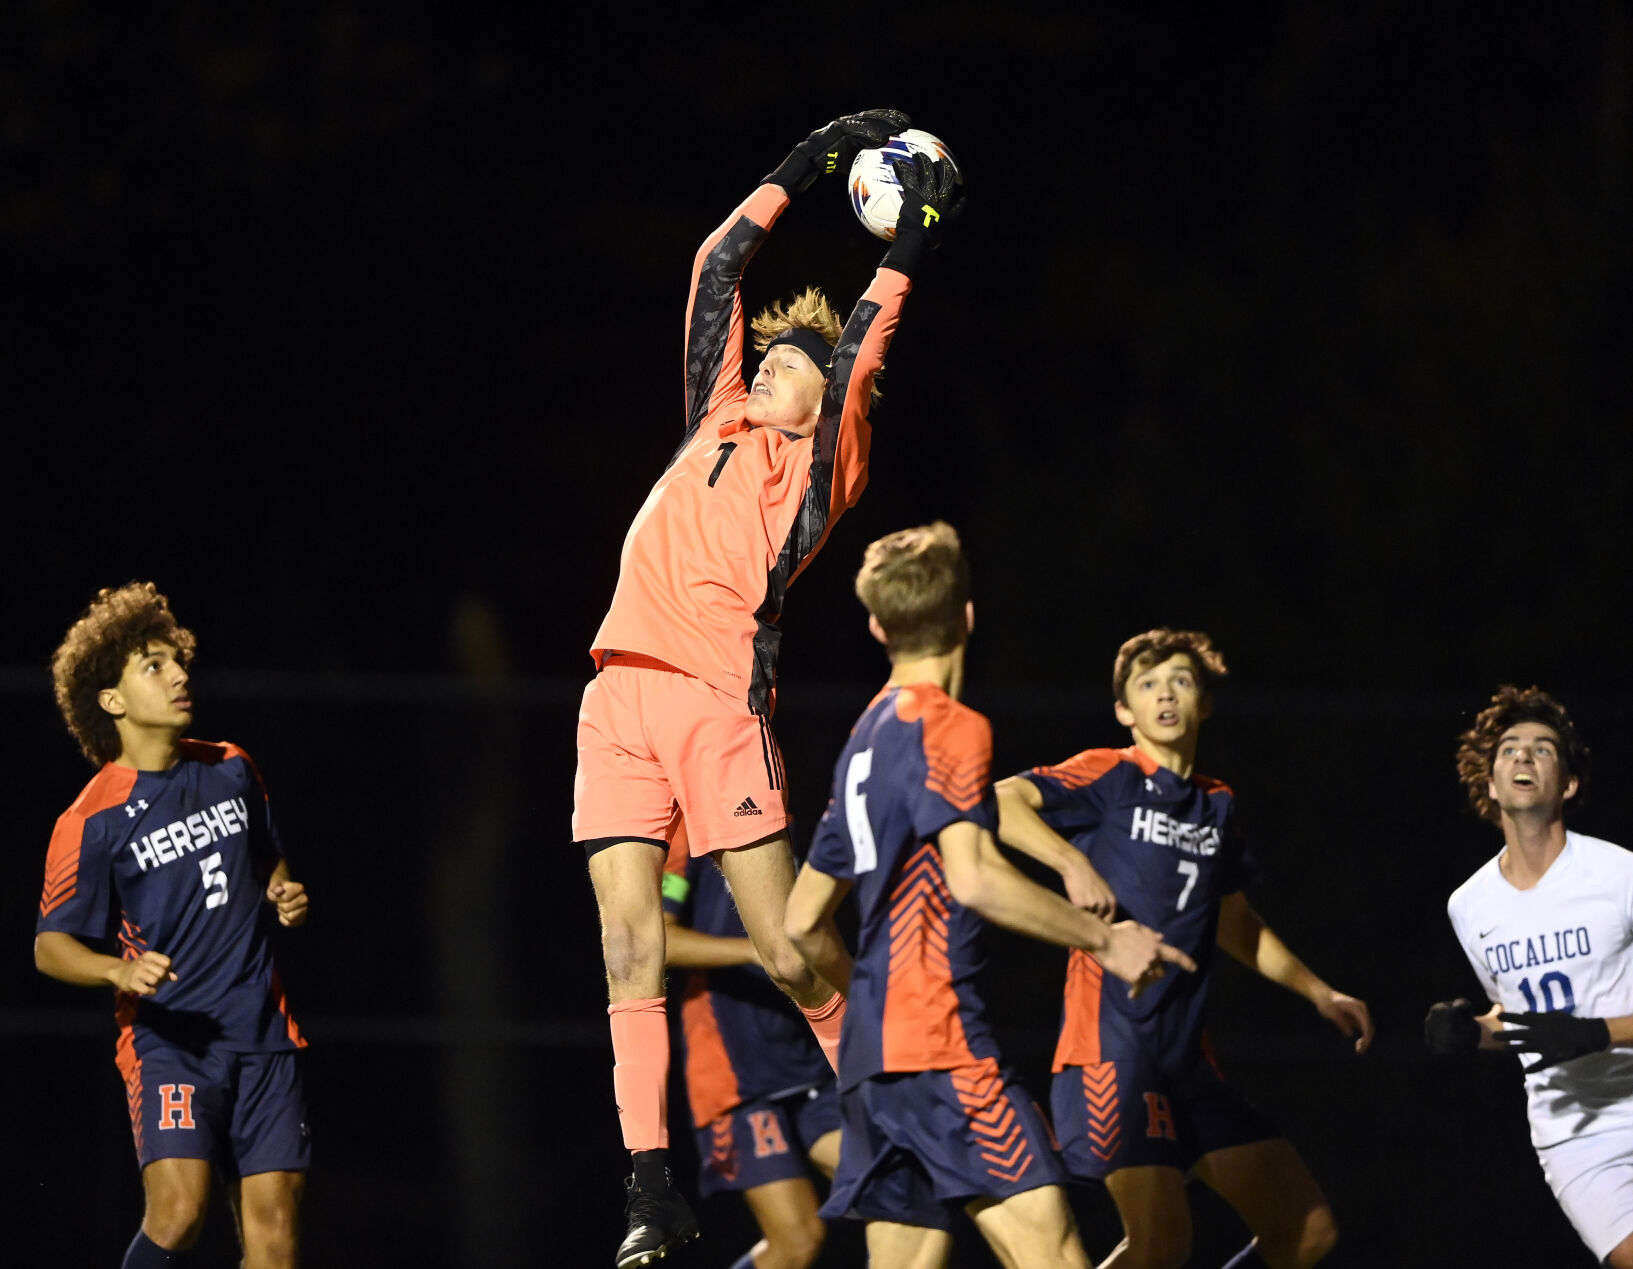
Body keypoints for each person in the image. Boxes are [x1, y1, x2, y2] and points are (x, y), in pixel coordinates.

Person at [573, 106, 964, 1268]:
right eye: (774, 354)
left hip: (710, 704)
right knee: (627, 951)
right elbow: (717, 265)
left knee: (787, 950)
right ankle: (652, 1189)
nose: (776, 365)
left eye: (797, 360)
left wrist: (907, 249)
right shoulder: (715, 417)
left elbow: (863, 353)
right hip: (617, 699)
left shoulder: (819, 468)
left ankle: (894, 1103)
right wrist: (812, 161)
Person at [784, 522, 1194, 1268]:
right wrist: (1105, 938)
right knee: (1057, 1258)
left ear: (879, 626)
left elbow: (801, 927)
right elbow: (971, 873)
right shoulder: (949, 724)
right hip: (943, 1047)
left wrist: (873, 1009)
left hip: (874, 1065)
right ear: (967, 616)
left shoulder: (863, 741)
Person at [993, 628, 1373, 1269]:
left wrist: (1318, 991)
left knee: (1305, 1229)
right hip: (1112, 1050)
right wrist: (1069, 863)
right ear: (1124, 712)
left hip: (1187, 1062)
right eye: (1147, 683)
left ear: (1204, 704)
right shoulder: (1111, 774)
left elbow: (1236, 923)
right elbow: (1001, 801)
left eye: (1181, 681)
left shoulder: (1216, 804)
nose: (1165, 693)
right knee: (1163, 1246)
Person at [34, 583, 310, 1269]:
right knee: (179, 1211)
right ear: (112, 700)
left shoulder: (231, 768)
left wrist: (280, 886)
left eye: (175, 659)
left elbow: (265, 854)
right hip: (171, 1042)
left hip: (262, 1032)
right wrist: (117, 969)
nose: (180, 673)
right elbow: (50, 945)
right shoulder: (90, 819)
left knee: (274, 1241)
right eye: (152, 665)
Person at [1426, 685, 1633, 1268]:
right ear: (1490, 784)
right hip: (1574, 1131)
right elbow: (1519, 1024)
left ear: (1567, 784)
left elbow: (1575, 1031)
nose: (1524, 756)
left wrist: (1599, 1033)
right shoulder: (1469, 905)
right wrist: (1472, 1033)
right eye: (1511, 748)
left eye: (1543, 749)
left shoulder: (1619, 875)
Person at [662, 822, 840, 1269]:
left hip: (807, 1054)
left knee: (894, 1189)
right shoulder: (683, 832)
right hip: (733, 1071)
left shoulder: (776, 815)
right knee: (797, 1239)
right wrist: (756, 951)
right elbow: (655, 938)